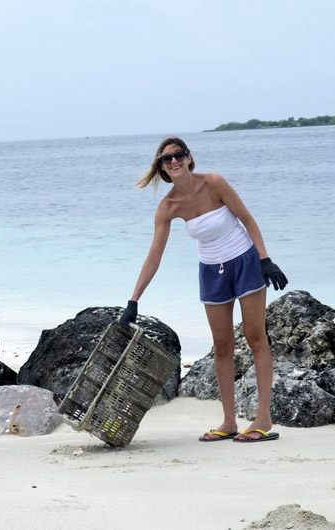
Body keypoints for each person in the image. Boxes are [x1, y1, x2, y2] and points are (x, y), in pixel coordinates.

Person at [120, 137, 288, 443]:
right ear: (161, 167)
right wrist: (134, 300)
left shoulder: (214, 183)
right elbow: (154, 256)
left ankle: (263, 418)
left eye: (178, 155)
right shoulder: (168, 206)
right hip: (212, 272)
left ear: (188, 157)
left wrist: (265, 259)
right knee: (222, 345)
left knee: (255, 337)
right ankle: (229, 422)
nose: (174, 161)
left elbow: (247, 219)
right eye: (167, 158)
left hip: (244, 261)